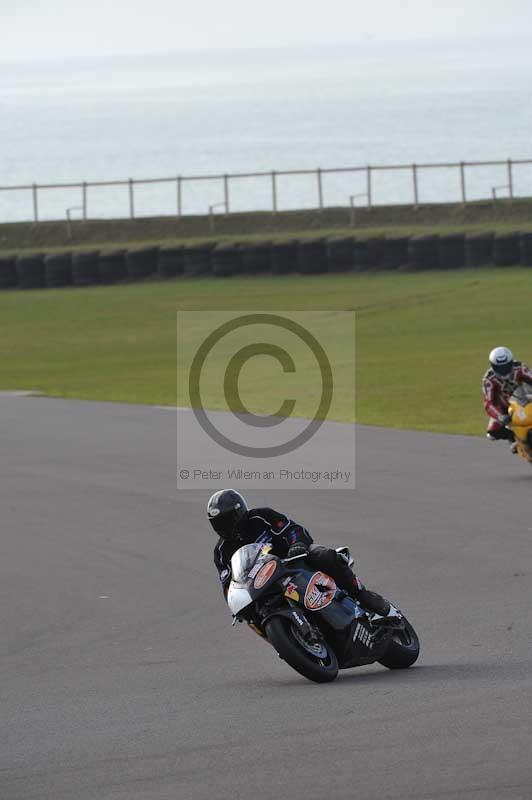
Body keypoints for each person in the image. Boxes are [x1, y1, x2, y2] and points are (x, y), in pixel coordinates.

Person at [208, 488, 398, 621]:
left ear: (239, 512)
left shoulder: (261, 517)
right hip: (264, 585)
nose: (225, 527)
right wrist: (236, 602)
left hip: (293, 561)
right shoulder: (221, 551)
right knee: (252, 616)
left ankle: (362, 595)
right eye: (219, 523)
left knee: (324, 555)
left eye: (228, 520)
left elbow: (292, 529)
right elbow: (228, 583)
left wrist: (297, 544)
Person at [483, 347, 532, 449]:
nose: (504, 371)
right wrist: (500, 416)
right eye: (499, 368)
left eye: (506, 366)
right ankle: (513, 438)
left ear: (511, 362)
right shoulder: (489, 380)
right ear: (492, 366)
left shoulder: (520, 368)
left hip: (524, 399)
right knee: (492, 433)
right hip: (504, 407)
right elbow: (489, 403)